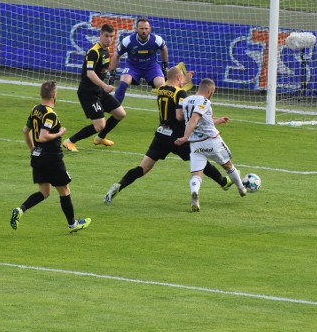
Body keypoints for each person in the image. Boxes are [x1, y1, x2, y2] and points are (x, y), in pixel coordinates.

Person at [104, 66, 234, 204]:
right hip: (177, 137)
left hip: (161, 135)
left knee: (143, 167)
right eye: (182, 77)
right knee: (200, 158)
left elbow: (174, 91)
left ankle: (119, 185)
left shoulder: (161, 90)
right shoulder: (181, 93)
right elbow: (179, 115)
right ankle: (223, 181)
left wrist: (184, 83)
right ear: (178, 78)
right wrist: (193, 115)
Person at [11, 80, 91, 233]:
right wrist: (60, 133)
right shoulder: (50, 114)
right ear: (54, 95)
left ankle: (20, 210)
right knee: (65, 190)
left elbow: (25, 131)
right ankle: (73, 224)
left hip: (38, 157)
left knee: (44, 192)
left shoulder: (35, 109)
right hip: (51, 158)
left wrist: (32, 150)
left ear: (41, 94)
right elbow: (43, 136)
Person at [174, 78, 247, 212]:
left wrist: (217, 120)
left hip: (195, 144)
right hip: (212, 141)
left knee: (197, 174)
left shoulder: (185, 99)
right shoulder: (205, 101)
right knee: (228, 165)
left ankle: (195, 192)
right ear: (210, 91)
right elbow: (195, 119)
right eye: (213, 91)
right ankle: (241, 188)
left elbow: (180, 117)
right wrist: (184, 137)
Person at [62, 23, 126, 152]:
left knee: (120, 114)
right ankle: (69, 141)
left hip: (99, 91)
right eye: (106, 36)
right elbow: (90, 73)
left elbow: (101, 70)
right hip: (88, 93)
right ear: (100, 35)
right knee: (100, 124)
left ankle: (100, 138)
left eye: (111, 36)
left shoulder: (106, 50)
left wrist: (108, 78)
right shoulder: (93, 52)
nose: (109, 39)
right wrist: (105, 86)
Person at [108, 17, 168, 104]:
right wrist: (112, 73)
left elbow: (164, 49)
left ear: (150, 29)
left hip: (151, 67)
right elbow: (116, 55)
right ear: (136, 29)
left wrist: (164, 67)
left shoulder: (156, 39)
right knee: (123, 83)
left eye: (146, 28)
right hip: (133, 66)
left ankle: (164, 111)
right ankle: (114, 107)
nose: (144, 31)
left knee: (162, 85)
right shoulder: (128, 40)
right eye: (141, 28)